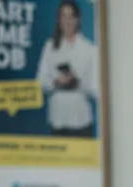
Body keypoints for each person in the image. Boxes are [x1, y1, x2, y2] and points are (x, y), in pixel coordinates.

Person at [35, 0, 99, 138]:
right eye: (63, 17)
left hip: (81, 121)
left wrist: (78, 83)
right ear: (59, 20)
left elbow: (96, 88)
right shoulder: (50, 46)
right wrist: (56, 82)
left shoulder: (89, 50)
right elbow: (40, 82)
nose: (67, 21)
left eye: (71, 17)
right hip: (58, 121)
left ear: (78, 19)